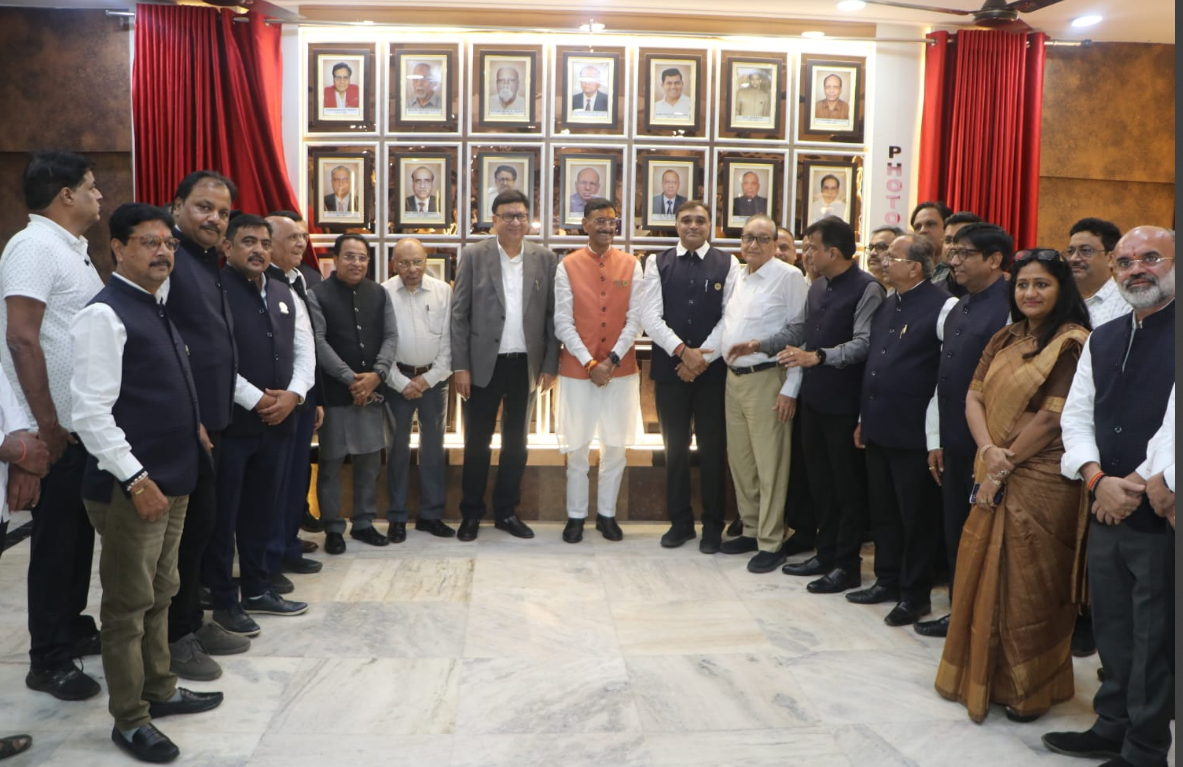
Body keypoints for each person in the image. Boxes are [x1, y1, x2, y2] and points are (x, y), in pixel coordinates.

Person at [71, 202, 224, 764]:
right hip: (130, 489)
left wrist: (194, 425)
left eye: (169, 244)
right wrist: (136, 480)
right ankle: (130, 719)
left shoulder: (154, 305)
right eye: (149, 242)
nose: (163, 252)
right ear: (117, 248)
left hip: (174, 478)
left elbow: (157, 386)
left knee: (162, 591)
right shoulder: (104, 314)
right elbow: (90, 413)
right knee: (127, 606)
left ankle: (159, 687)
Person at [934, 248, 1092, 724]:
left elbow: (1050, 419)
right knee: (982, 572)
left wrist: (1003, 465)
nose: (1030, 293)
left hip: (1043, 478)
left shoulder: (1071, 343)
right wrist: (988, 452)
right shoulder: (1006, 337)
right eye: (1023, 284)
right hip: (994, 464)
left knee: (1030, 585)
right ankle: (981, 676)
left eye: (1041, 284)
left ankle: (1028, 690)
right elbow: (973, 397)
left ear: (1061, 289)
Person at [1043, 226, 1175, 767]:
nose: (1136, 269)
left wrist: (1134, 485)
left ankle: (1145, 748)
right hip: (1105, 502)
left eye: (1151, 258)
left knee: (1154, 638)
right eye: (1124, 262)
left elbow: (1173, 426)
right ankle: (1112, 725)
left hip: (1158, 507)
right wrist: (1097, 480)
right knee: (1112, 626)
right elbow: (1075, 418)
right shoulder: (1105, 336)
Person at [0, 151, 104, 701]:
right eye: (91, 186)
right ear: (65, 194)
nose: (98, 195)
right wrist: (46, 424)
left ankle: (71, 626)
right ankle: (48, 658)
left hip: (77, 427)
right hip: (54, 429)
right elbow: (21, 337)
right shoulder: (33, 246)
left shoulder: (71, 249)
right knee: (57, 547)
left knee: (78, 539)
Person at [204, 214, 312, 640]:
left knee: (262, 512)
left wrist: (294, 395)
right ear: (227, 247)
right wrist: (257, 399)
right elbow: (213, 356)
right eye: (249, 241)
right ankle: (224, 601)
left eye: (266, 243)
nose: (259, 250)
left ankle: (257, 588)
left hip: (279, 424)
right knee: (224, 518)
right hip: (233, 426)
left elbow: (305, 350)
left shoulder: (285, 292)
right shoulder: (214, 290)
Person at [164, 170, 249, 680]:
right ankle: (175, 638)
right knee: (179, 542)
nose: (214, 219)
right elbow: (163, 346)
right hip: (182, 428)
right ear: (177, 207)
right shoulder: (169, 259)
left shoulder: (207, 262)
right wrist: (191, 416)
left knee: (203, 530)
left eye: (222, 212)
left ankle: (193, 621)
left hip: (213, 424)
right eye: (203, 207)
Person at [773, 216, 884, 594]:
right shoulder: (817, 286)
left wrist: (818, 356)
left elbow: (864, 344)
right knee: (820, 484)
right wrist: (759, 344)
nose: (806, 254)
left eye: (811, 248)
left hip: (845, 405)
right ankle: (826, 554)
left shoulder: (867, 288)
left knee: (846, 489)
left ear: (832, 252)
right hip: (814, 401)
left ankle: (847, 565)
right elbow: (800, 332)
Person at [915, 222, 1014, 638]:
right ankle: (959, 614)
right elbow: (943, 379)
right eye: (952, 252)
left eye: (964, 254)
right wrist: (935, 438)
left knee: (986, 536)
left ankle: (982, 620)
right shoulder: (957, 305)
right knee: (957, 530)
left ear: (994, 259)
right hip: (954, 442)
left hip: (991, 446)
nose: (953, 261)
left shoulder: (1011, 306)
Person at [850, 235, 950, 626]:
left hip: (914, 431)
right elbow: (875, 363)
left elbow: (944, 376)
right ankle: (887, 579)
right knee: (884, 512)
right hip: (879, 424)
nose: (882, 260)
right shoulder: (889, 302)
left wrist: (936, 435)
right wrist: (863, 417)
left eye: (892, 256)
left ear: (914, 267)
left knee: (916, 518)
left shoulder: (943, 306)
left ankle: (915, 594)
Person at [451, 190, 559, 541]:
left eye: (521, 216)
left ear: (529, 220)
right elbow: (459, 315)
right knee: (477, 442)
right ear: (494, 220)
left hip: (525, 365)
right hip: (483, 364)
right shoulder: (474, 255)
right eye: (508, 216)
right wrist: (460, 366)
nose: (515, 222)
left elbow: (552, 316)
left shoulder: (544, 258)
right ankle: (471, 514)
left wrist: (550, 364)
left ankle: (506, 512)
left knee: (517, 443)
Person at [640, 201, 740, 552]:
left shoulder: (729, 263)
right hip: (671, 372)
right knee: (675, 450)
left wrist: (701, 358)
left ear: (711, 225)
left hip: (713, 374)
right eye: (686, 220)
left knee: (713, 451)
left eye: (700, 220)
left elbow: (731, 317)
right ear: (676, 224)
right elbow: (650, 316)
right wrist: (683, 352)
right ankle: (680, 523)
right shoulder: (657, 262)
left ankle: (713, 525)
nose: (693, 225)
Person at [717, 215, 808, 573]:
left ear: (773, 243)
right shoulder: (739, 275)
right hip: (734, 379)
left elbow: (800, 333)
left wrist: (790, 388)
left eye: (761, 238)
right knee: (742, 463)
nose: (752, 245)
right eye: (747, 238)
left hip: (769, 379)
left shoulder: (789, 277)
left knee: (771, 466)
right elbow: (728, 325)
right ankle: (751, 529)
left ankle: (771, 542)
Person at [553, 198, 643, 543]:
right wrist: (589, 362)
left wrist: (611, 361)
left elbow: (636, 319)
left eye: (611, 221)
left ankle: (607, 515)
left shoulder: (632, 265)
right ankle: (575, 516)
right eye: (599, 221)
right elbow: (562, 321)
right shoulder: (568, 265)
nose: (606, 227)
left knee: (615, 447)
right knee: (576, 448)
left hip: (621, 371)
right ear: (585, 225)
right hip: (578, 372)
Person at [306, 235, 398, 555]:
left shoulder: (379, 293)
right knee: (331, 462)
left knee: (369, 461)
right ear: (335, 259)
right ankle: (333, 527)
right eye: (349, 256)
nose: (356, 263)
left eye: (362, 257)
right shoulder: (317, 294)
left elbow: (391, 336)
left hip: (373, 393)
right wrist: (351, 379)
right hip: (335, 394)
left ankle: (363, 522)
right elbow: (318, 342)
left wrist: (377, 375)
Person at [262, 211, 323, 585]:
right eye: (292, 238)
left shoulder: (306, 278)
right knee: (275, 483)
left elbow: (311, 344)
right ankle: (270, 557)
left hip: (303, 395)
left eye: (303, 236)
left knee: (297, 476)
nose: (301, 243)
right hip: (274, 398)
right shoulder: (261, 282)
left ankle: (288, 545)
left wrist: (315, 398)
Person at [380, 238, 454, 542]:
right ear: (394, 264)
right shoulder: (383, 293)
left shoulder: (443, 291)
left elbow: (449, 341)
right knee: (396, 450)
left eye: (417, 262)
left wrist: (429, 378)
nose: (412, 269)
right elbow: (379, 344)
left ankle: (430, 515)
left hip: (434, 381)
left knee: (433, 449)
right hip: (396, 382)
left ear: (426, 260)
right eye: (404, 263)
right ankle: (397, 517)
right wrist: (400, 382)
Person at [1068, 217, 1130, 328]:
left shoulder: (1126, 303)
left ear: (1111, 259)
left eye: (1085, 251)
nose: (1073, 258)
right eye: (1070, 251)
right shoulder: (1059, 300)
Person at [934, 211, 982, 297]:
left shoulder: (998, 290)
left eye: (960, 240)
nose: (953, 247)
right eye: (948, 240)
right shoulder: (933, 290)